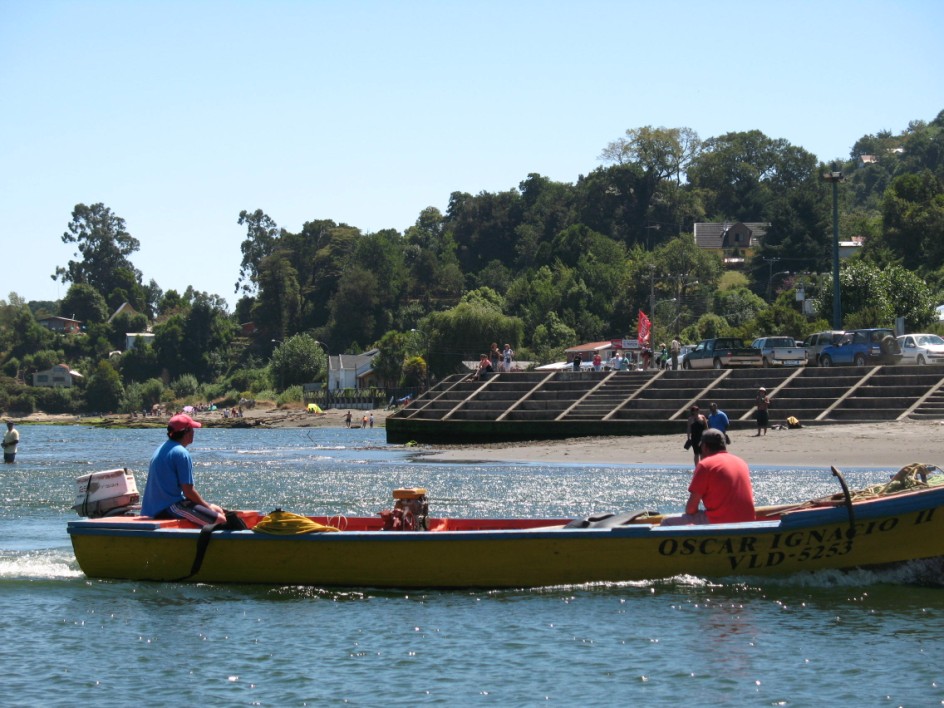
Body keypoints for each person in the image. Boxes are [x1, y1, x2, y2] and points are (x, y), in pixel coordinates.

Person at [141, 414, 225, 526]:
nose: (194, 432)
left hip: (153, 508)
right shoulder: (181, 453)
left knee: (215, 510)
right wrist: (208, 507)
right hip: (168, 507)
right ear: (187, 431)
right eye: (192, 429)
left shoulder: (162, 447)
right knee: (220, 520)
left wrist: (208, 507)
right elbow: (188, 492)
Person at [662, 428, 755, 525]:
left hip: (721, 522)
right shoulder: (741, 462)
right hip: (748, 521)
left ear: (704, 447)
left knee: (666, 522)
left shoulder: (705, 465)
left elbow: (690, 509)